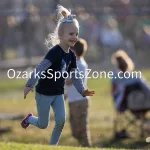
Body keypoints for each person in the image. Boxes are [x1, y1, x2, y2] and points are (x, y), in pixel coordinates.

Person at [21, 5, 95, 145]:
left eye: (76, 34)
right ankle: (30, 119)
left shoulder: (72, 56)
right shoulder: (54, 52)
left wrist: (82, 90)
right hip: (43, 93)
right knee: (43, 124)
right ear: (61, 36)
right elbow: (40, 68)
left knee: (61, 121)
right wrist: (29, 84)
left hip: (58, 94)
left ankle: (52, 146)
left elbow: (75, 76)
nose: (75, 37)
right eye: (71, 34)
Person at [111, 49, 150, 138]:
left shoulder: (115, 79)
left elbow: (114, 93)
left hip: (126, 105)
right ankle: (145, 124)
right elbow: (148, 90)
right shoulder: (136, 77)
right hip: (144, 105)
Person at [65, 38, 92, 147]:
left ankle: (87, 146)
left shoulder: (80, 65)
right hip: (73, 101)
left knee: (82, 130)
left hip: (80, 102)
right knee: (75, 132)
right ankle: (83, 145)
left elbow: (69, 81)